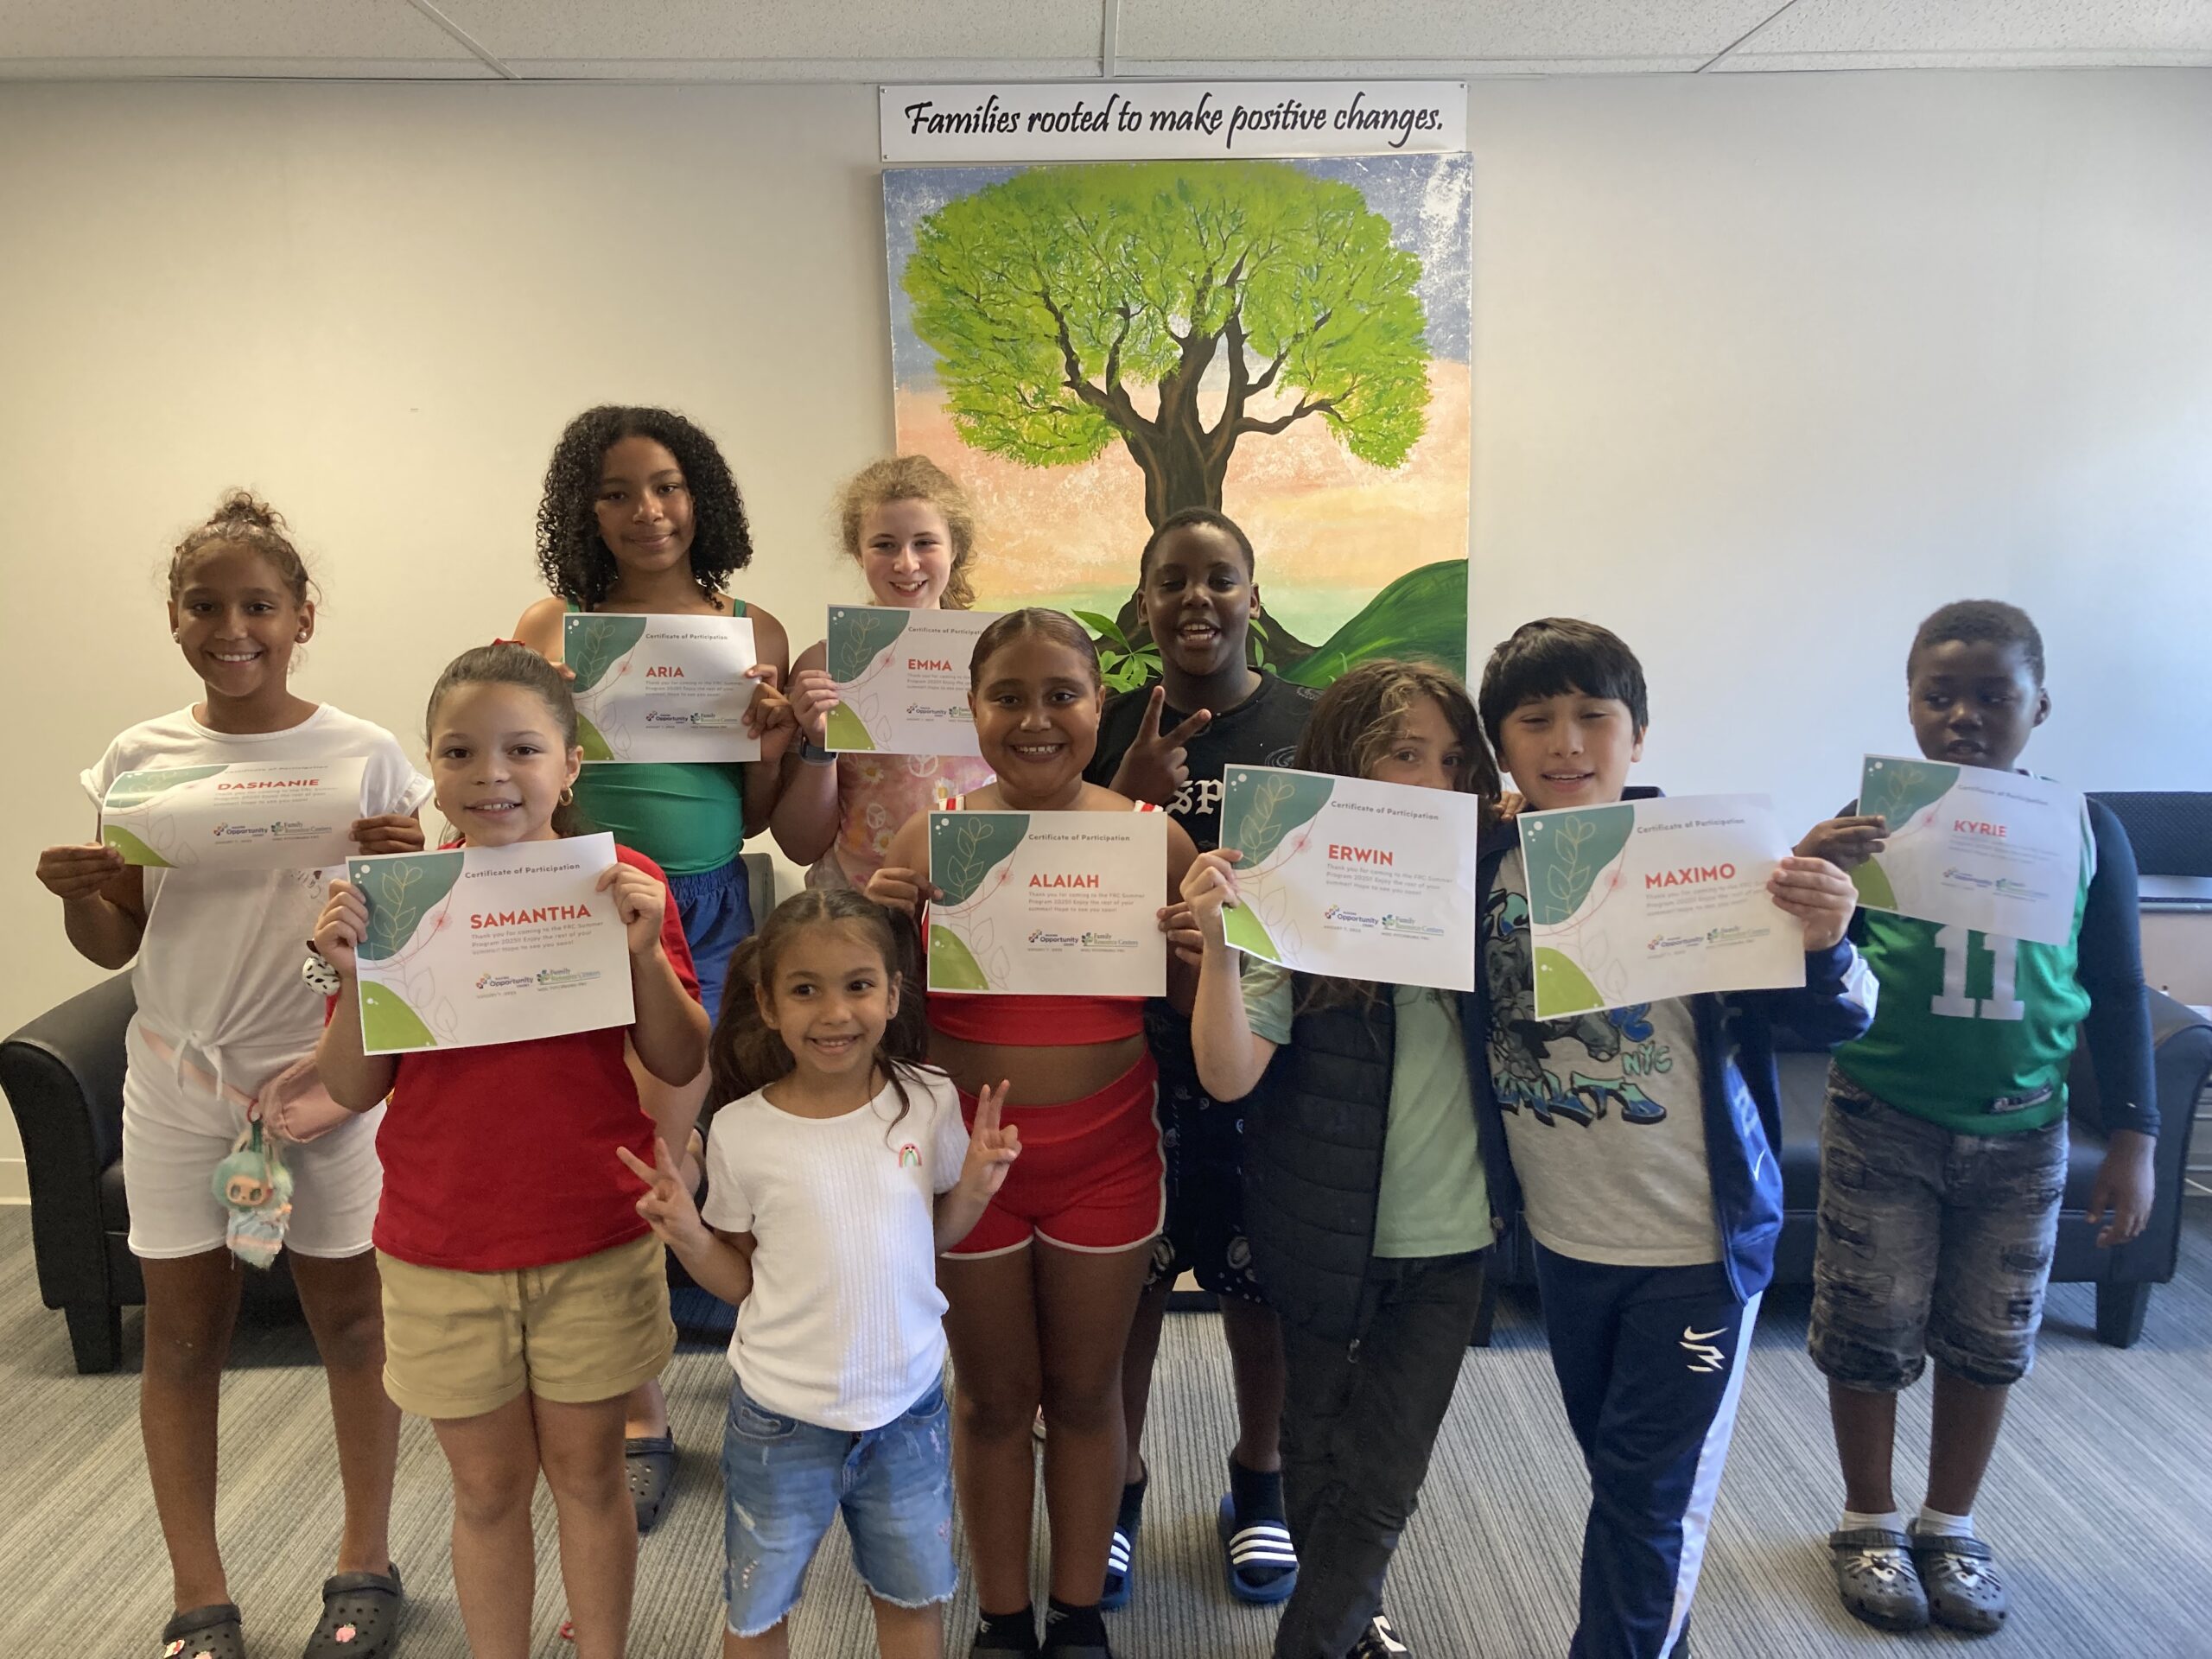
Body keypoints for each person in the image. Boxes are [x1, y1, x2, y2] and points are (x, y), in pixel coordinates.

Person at [39, 491, 427, 1659]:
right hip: (179, 1080)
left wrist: (407, 870)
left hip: (325, 1076)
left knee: (353, 1326)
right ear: (175, 619)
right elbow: (119, 946)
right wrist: (87, 896)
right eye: (206, 607)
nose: (232, 627)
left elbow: (402, 940)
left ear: (303, 616)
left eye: (258, 605)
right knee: (181, 1339)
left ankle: (365, 1558)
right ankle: (197, 1593)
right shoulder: (139, 758)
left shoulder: (364, 755)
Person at [1472, 617, 1868, 1659]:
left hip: (1694, 1250)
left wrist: (1830, 938)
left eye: (1593, 717)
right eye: (1535, 720)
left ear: (1636, 735)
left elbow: (1835, 1019)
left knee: (1650, 1500)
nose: (1566, 743)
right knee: (1624, 1477)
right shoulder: (1484, 871)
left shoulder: (1711, 860)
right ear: (1501, 748)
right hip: (1563, 1241)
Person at [312, 642, 709, 1659]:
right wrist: (356, 973)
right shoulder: (395, 900)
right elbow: (354, 1089)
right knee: (485, 1490)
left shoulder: (624, 883)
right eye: (460, 752)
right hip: (441, 1248)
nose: (492, 775)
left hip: (590, 1237)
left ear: (570, 764)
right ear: (431, 770)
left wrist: (644, 951)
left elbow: (676, 1054)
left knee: (587, 1476)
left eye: (523, 749)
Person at [1798, 600, 2157, 1637]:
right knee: (1866, 1328)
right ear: (1907, 705)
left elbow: (2119, 987)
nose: (1962, 716)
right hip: (1884, 1113)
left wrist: (2133, 1137)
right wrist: (1814, 857)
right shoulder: (1875, 819)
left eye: (1991, 695)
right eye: (1936, 695)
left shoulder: (2090, 831)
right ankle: (1866, 1518)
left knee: (1989, 1337)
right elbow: (1799, 955)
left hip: (2024, 1129)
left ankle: (1948, 1524)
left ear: (2038, 705)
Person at [865, 608, 1198, 1659]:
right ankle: (1006, 1619)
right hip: (969, 1163)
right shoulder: (931, 838)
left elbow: (1197, 1017)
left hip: (1106, 1157)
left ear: (1099, 705)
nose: (1037, 717)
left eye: (1063, 693)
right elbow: (875, 1020)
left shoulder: (1153, 839)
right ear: (972, 710)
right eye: (1008, 695)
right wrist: (884, 925)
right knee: (996, 1399)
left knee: (1089, 1395)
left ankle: (1079, 1616)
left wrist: (1199, 947)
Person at [1179, 659, 1501, 1659]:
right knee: (1314, 1458)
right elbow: (1229, 1076)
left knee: (1383, 1478)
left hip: (1450, 1245)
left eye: (1452, 760)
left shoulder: (1493, 896)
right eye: (1403, 754)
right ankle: (1355, 1624)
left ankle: (1312, 1641)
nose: (1432, 780)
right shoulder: (1292, 906)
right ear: (1342, 767)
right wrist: (1223, 941)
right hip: (1318, 1238)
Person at [512, 403, 796, 1527]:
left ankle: (768, 1385)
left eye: (669, 486)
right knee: (625, 1145)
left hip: (716, 901)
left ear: (702, 498)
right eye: (621, 491)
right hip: (588, 895)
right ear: (587, 510)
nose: (648, 511)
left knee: (714, 1140)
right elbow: (519, 766)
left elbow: (766, 808)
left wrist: (779, 738)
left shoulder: (749, 625)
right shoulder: (552, 622)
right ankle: (638, 1407)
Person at [620, 887, 1020, 1658]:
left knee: (912, 1598)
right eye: (806, 990)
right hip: (780, 1418)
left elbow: (929, 1240)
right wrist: (687, 1234)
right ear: (768, 1005)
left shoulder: (929, 1101)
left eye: (858, 986)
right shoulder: (741, 1131)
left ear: (893, 993)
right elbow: (741, 1280)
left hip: (906, 1410)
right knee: (759, 1607)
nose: (835, 1013)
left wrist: (973, 1185)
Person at [1081, 508, 1318, 1611]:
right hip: (1125, 1052)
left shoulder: (1312, 729)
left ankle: (1257, 1481)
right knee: (1131, 1274)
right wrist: (1125, 789)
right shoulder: (1100, 727)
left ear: (1252, 598)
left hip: (1265, 1052)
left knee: (1255, 1274)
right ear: (1142, 603)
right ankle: (1120, 1481)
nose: (1194, 599)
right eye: (1170, 580)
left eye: (1219, 578)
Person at [772, 454, 996, 891]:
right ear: (858, 552)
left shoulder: (995, 657)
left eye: (925, 543)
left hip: (968, 894)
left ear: (956, 549)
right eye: (885, 544)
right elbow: (800, 846)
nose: (906, 564)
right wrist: (820, 745)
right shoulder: (824, 666)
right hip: (856, 904)